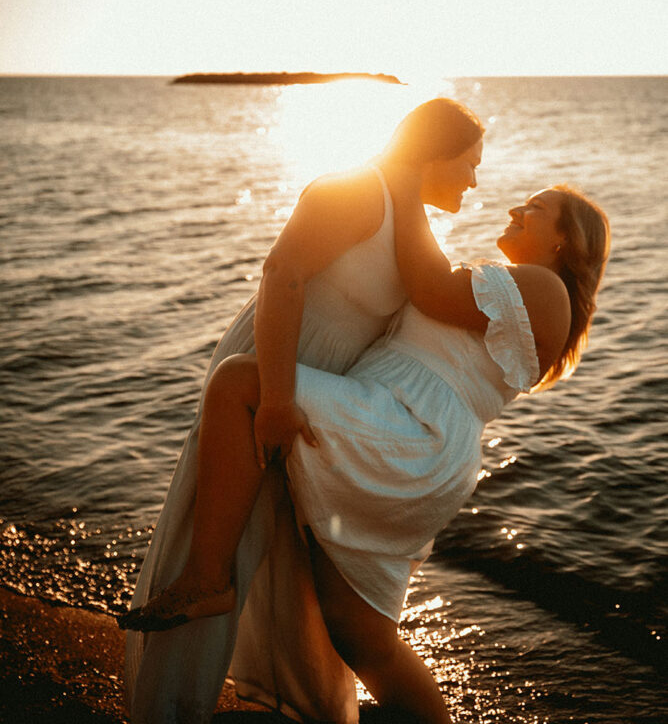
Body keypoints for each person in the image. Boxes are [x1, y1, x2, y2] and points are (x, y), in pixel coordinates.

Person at [122, 173, 610, 724]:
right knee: (361, 639)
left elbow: (428, 285)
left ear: (565, 241)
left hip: (407, 430)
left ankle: (208, 578)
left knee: (240, 384)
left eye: (537, 207)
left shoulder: (545, 289)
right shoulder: (516, 287)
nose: (518, 207)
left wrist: (402, 178)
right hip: (404, 430)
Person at [123, 98, 485, 724]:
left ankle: (296, 704)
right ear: (432, 152)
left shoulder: (412, 219)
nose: (476, 180)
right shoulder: (356, 192)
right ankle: (169, 709)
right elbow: (281, 273)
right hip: (271, 376)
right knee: (214, 546)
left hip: (314, 391)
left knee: (288, 559)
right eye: (470, 163)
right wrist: (280, 398)